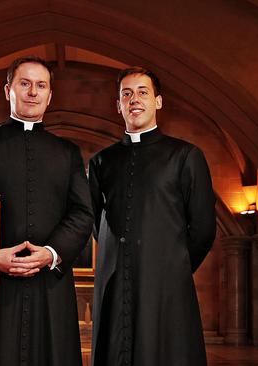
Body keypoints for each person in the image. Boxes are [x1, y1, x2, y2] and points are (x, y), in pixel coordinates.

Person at [0, 56, 93, 366]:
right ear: (8, 90)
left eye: (41, 86)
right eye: (25, 84)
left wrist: (51, 252)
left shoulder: (68, 153)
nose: (33, 92)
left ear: (50, 96)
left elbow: (82, 212)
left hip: (50, 279)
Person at [89, 67, 216, 366]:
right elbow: (98, 224)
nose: (134, 100)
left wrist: (173, 265)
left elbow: (203, 229)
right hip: (115, 282)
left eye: (143, 92)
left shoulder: (185, 156)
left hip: (166, 285)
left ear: (158, 101)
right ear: (118, 105)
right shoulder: (101, 162)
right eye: (126, 94)